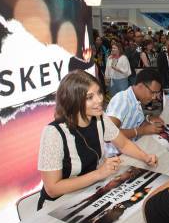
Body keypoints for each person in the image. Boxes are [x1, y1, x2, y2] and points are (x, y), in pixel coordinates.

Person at [37, 70, 158, 209]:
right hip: (59, 205)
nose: (99, 100)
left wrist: (145, 157)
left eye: (99, 93)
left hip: (89, 193)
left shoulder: (100, 118)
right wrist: (99, 174)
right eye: (90, 97)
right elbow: (52, 189)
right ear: (73, 101)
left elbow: (123, 144)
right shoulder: (53, 133)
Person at [105, 68, 165, 140]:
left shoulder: (137, 100)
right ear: (140, 86)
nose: (154, 97)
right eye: (152, 92)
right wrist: (142, 130)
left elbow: (135, 123)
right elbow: (108, 134)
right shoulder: (122, 99)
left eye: (156, 93)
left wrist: (148, 120)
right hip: (118, 151)